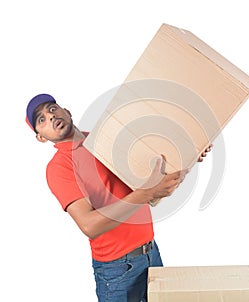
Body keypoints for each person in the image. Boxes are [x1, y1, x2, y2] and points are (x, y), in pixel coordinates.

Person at [26, 93, 212, 302]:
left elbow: (150, 192)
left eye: (52, 109)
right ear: (41, 137)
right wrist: (147, 192)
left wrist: (186, 159)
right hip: (118, 269)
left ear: (66, 112)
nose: (50, 117)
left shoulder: (104, 140)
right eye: (41, 120)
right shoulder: (60, 167)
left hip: (151, 253)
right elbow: (89, 225)